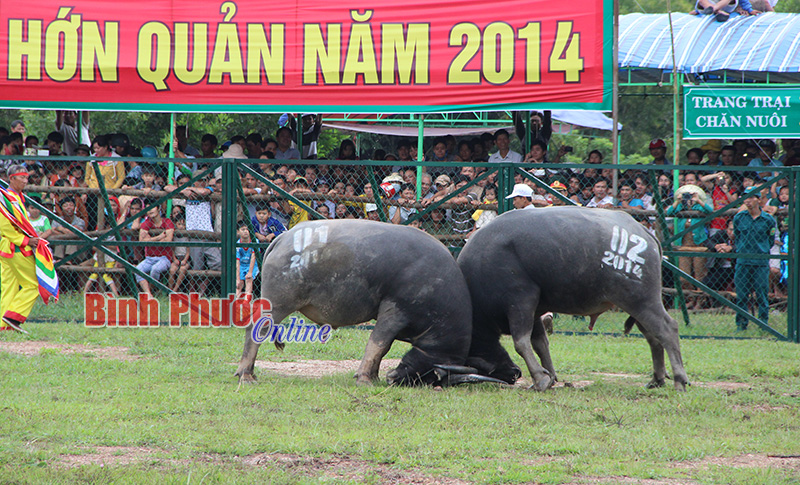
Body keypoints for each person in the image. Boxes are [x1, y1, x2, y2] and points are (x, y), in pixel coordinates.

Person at [0, 165, 57, 332]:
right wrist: (25, 240)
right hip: (16, 247)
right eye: (22, 177)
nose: (26, 181)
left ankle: (4, 327)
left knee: (9, 286)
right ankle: (13, 317)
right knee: (32, 284)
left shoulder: (16, 197)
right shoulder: (8, 198)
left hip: (7, 248)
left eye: (26, 177)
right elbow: (4, 225)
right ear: (11, 178)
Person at [733, 187, 777, 331]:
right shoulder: (739, 218)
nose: (748, 201)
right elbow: (737, 236)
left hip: (761, 262)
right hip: (743, 261)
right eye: (746, 198)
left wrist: (761, 251)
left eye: (752, 197)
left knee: (762, 294)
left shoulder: (768, 219)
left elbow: (770, 240)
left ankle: (763, 323)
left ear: (759, 199)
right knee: (741, 295)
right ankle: (741, 323)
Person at [136, 206, 174, 296]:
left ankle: (153, 289)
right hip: (150, 258)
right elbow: (141, 241)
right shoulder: (146, 223)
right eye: (147, 208)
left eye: (152, 207)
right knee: (137, 270)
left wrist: (150, 239)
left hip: (164, 258)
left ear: (158, 209)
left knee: (155, 269)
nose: (150, 210)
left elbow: (168, 240)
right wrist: (158, 238)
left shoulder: (167, 221)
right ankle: (148, 294)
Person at [235, 222, 259, 299]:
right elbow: (237, 261)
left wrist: (250, 272)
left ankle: (246, 301)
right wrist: (237, 279)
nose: (246, 231)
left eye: (247, 229)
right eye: (243, 229)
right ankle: (236, 300)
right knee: (239, 283)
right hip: (242, 265)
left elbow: (253, 257)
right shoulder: (237, 244)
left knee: (248, 279)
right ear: (238, 231)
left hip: (252, 265)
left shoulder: (255, 241)